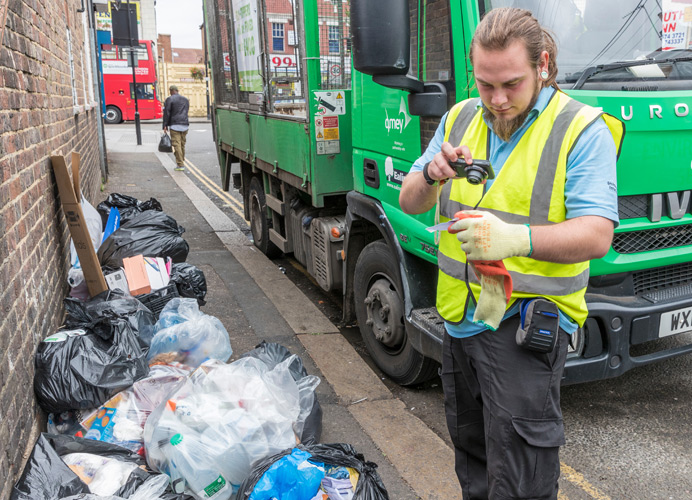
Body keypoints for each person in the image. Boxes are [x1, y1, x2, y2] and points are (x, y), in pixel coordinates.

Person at [399, 8, 623, 500]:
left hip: (524, 328)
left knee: (521, 481)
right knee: (475, 465)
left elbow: (597, 234)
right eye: (485, 85)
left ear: (542, 65)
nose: (498, 100)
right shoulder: (458, 117)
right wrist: (433, 173)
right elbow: (409, 201)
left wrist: (516, 239)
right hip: (460, 321)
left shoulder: (583, 129)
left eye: (512, 85)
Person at [163, 85, 190, 171]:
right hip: (185, 124)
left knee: (176, 144)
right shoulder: (185, 99)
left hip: (175, 125)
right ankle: (182, 160)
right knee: (182, 144)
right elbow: (186, 111)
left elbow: (167, 113)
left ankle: (180, 164)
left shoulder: (170, 99)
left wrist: (165, 125)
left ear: (171, 91)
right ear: (177, 91)